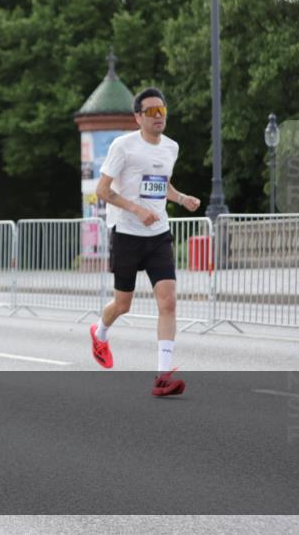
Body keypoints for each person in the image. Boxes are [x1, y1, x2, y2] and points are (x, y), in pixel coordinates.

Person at [90, 87, 201, 396]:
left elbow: (161, 184)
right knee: (122, 304)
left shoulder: (171, 147)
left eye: (161, 110)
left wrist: (181, 198)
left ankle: (163, 376)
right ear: (138, 117)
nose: (158, 116)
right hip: (126, 234)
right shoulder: (123, 146)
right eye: (151, 111)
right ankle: (100, 333)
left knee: (168, 302)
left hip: (158, 235)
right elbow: (102, 190)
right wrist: (136, 209)